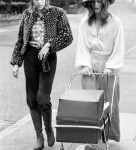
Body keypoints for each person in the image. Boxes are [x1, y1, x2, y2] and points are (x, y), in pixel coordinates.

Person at [10, 0, 73, 149]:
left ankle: (49, 129)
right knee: (32, 99)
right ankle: (39, 136)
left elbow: (67, 36)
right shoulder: (27, 14)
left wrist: (49, 45)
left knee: (43, 98)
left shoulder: (57, 13)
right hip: (30, 57)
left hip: (48, 58)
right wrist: (16, 63)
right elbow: (20, 40)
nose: (39, 1)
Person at [75, 0, 125, 147]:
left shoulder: (115, 22)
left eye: (99, 1)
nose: (96, 4)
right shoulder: (84, 22)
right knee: (90, 104)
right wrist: (84, 65)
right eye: (92, 2)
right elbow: (82, 45)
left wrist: (111, 66)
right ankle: (92, 137)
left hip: (109, 64)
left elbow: (119, 45)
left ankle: (107, 136)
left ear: (105, 3)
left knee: (110, 103)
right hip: (90, 65)